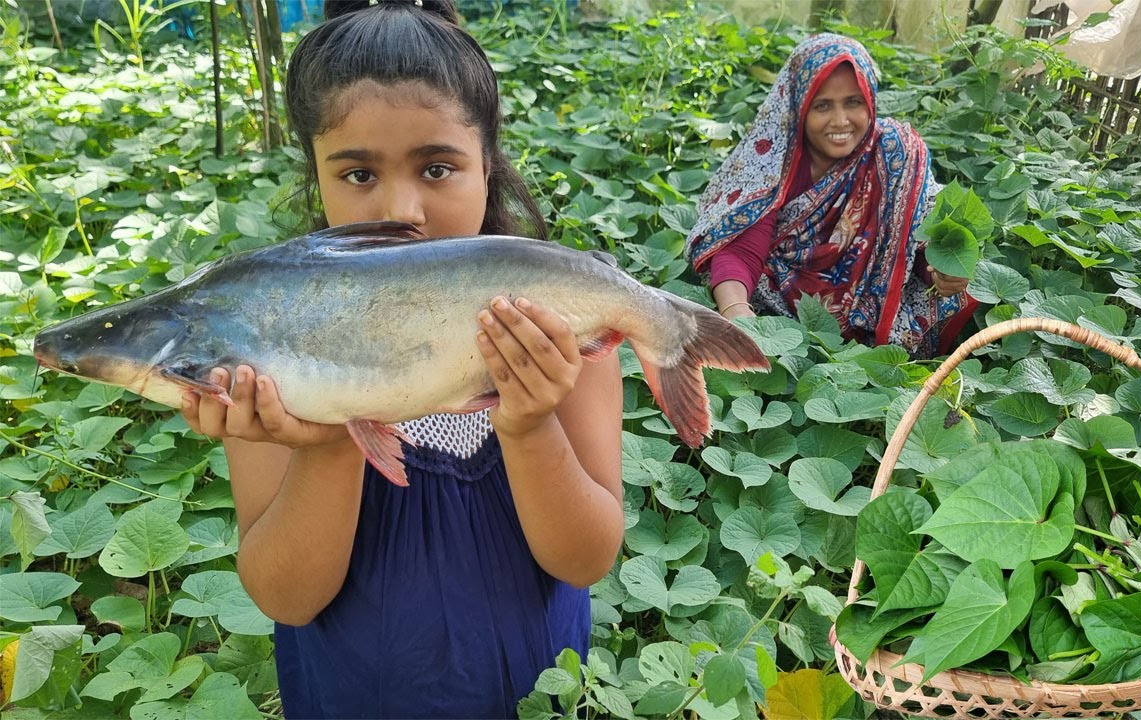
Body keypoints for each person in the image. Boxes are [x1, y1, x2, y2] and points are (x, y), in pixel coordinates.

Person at [179, 1, 624, 717]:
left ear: (489, 167)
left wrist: (530, 424)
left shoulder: (561, 330)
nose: (403, 208)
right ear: (315, 178)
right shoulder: (270, 352)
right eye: (358, 175)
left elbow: (585, 560)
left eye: (438, 167)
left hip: (527, 686)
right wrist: (326, 447)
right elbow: (287, 596)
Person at [685, 33, 978, 358]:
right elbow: (742, 248)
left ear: (870, 99)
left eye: (853, 102)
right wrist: (736, 311)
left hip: (874, 311)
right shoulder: (775, 159)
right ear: (799, 107)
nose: (840, 122)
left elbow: (915, 241)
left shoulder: (895, 153)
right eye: (823, 106)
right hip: (786, 310)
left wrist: (938, 271)